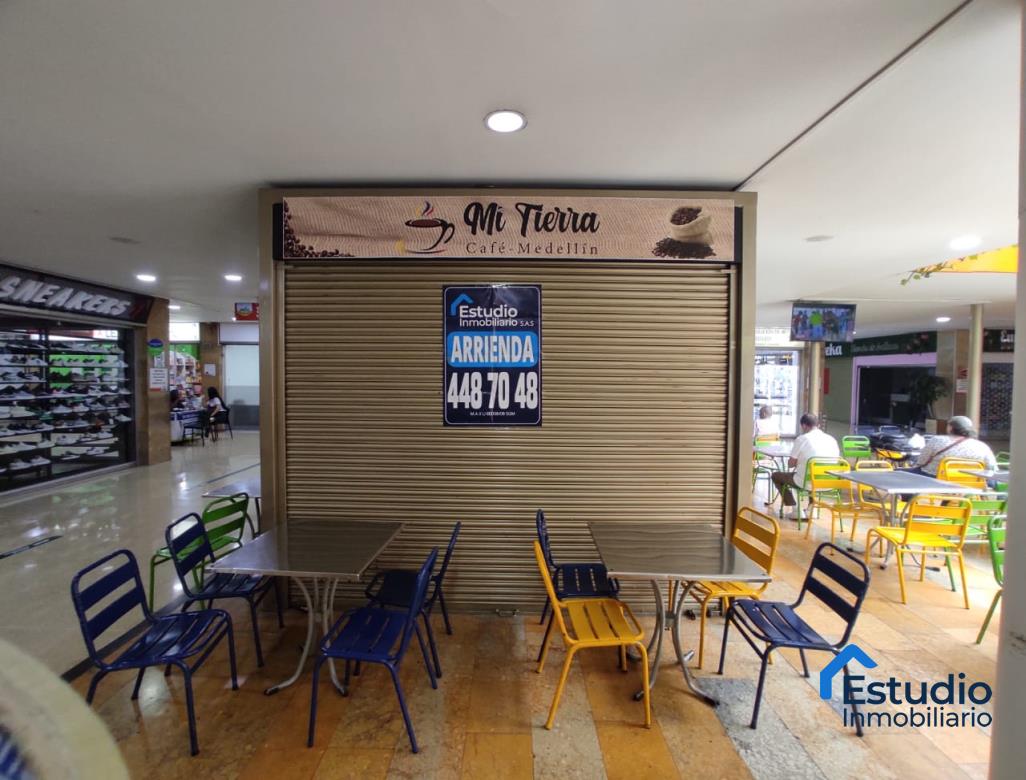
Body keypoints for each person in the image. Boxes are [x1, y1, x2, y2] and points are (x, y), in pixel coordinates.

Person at [770, 413, 839, 517]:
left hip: (806, 481)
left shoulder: (802, 439)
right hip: (829, 482)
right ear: (818, 425)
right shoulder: (832, 439)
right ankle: (811, 508)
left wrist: (799, 461)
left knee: (776, 476)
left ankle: (795, 508)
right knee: (812, 473)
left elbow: (791, 464)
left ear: (803, 425)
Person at [910, 415, 996, 476]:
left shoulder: (937, 440)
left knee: (903, 474)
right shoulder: (982, 446)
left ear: (950, 428)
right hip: (970, 482)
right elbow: (991, 467)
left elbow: (921, 462)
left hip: (935, 478)